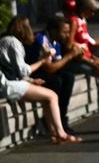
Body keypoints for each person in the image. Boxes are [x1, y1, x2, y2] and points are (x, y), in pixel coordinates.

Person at [1, 16, 79, 144]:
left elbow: (14, 71)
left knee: (46, 98)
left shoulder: (6, 40)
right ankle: (61, 133)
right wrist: (42, 61)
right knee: (52, 96)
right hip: (7, 85)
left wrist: (31, 81)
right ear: (25, 29)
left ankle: (54, 134)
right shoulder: (13, 42)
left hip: (8, 83)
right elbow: (23, 70)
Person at [30, 15, 85, 138]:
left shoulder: (57, 42)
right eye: (64, 32)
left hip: (46, 70)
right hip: (34, 72)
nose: (67, 35)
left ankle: (62, 117)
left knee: (68, 77)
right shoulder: (41, 39)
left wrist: (78, 55)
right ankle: (50, 120)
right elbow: (49, 68)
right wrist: (70, 55)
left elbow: (58, 64)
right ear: (54, 30)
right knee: (55, 81)